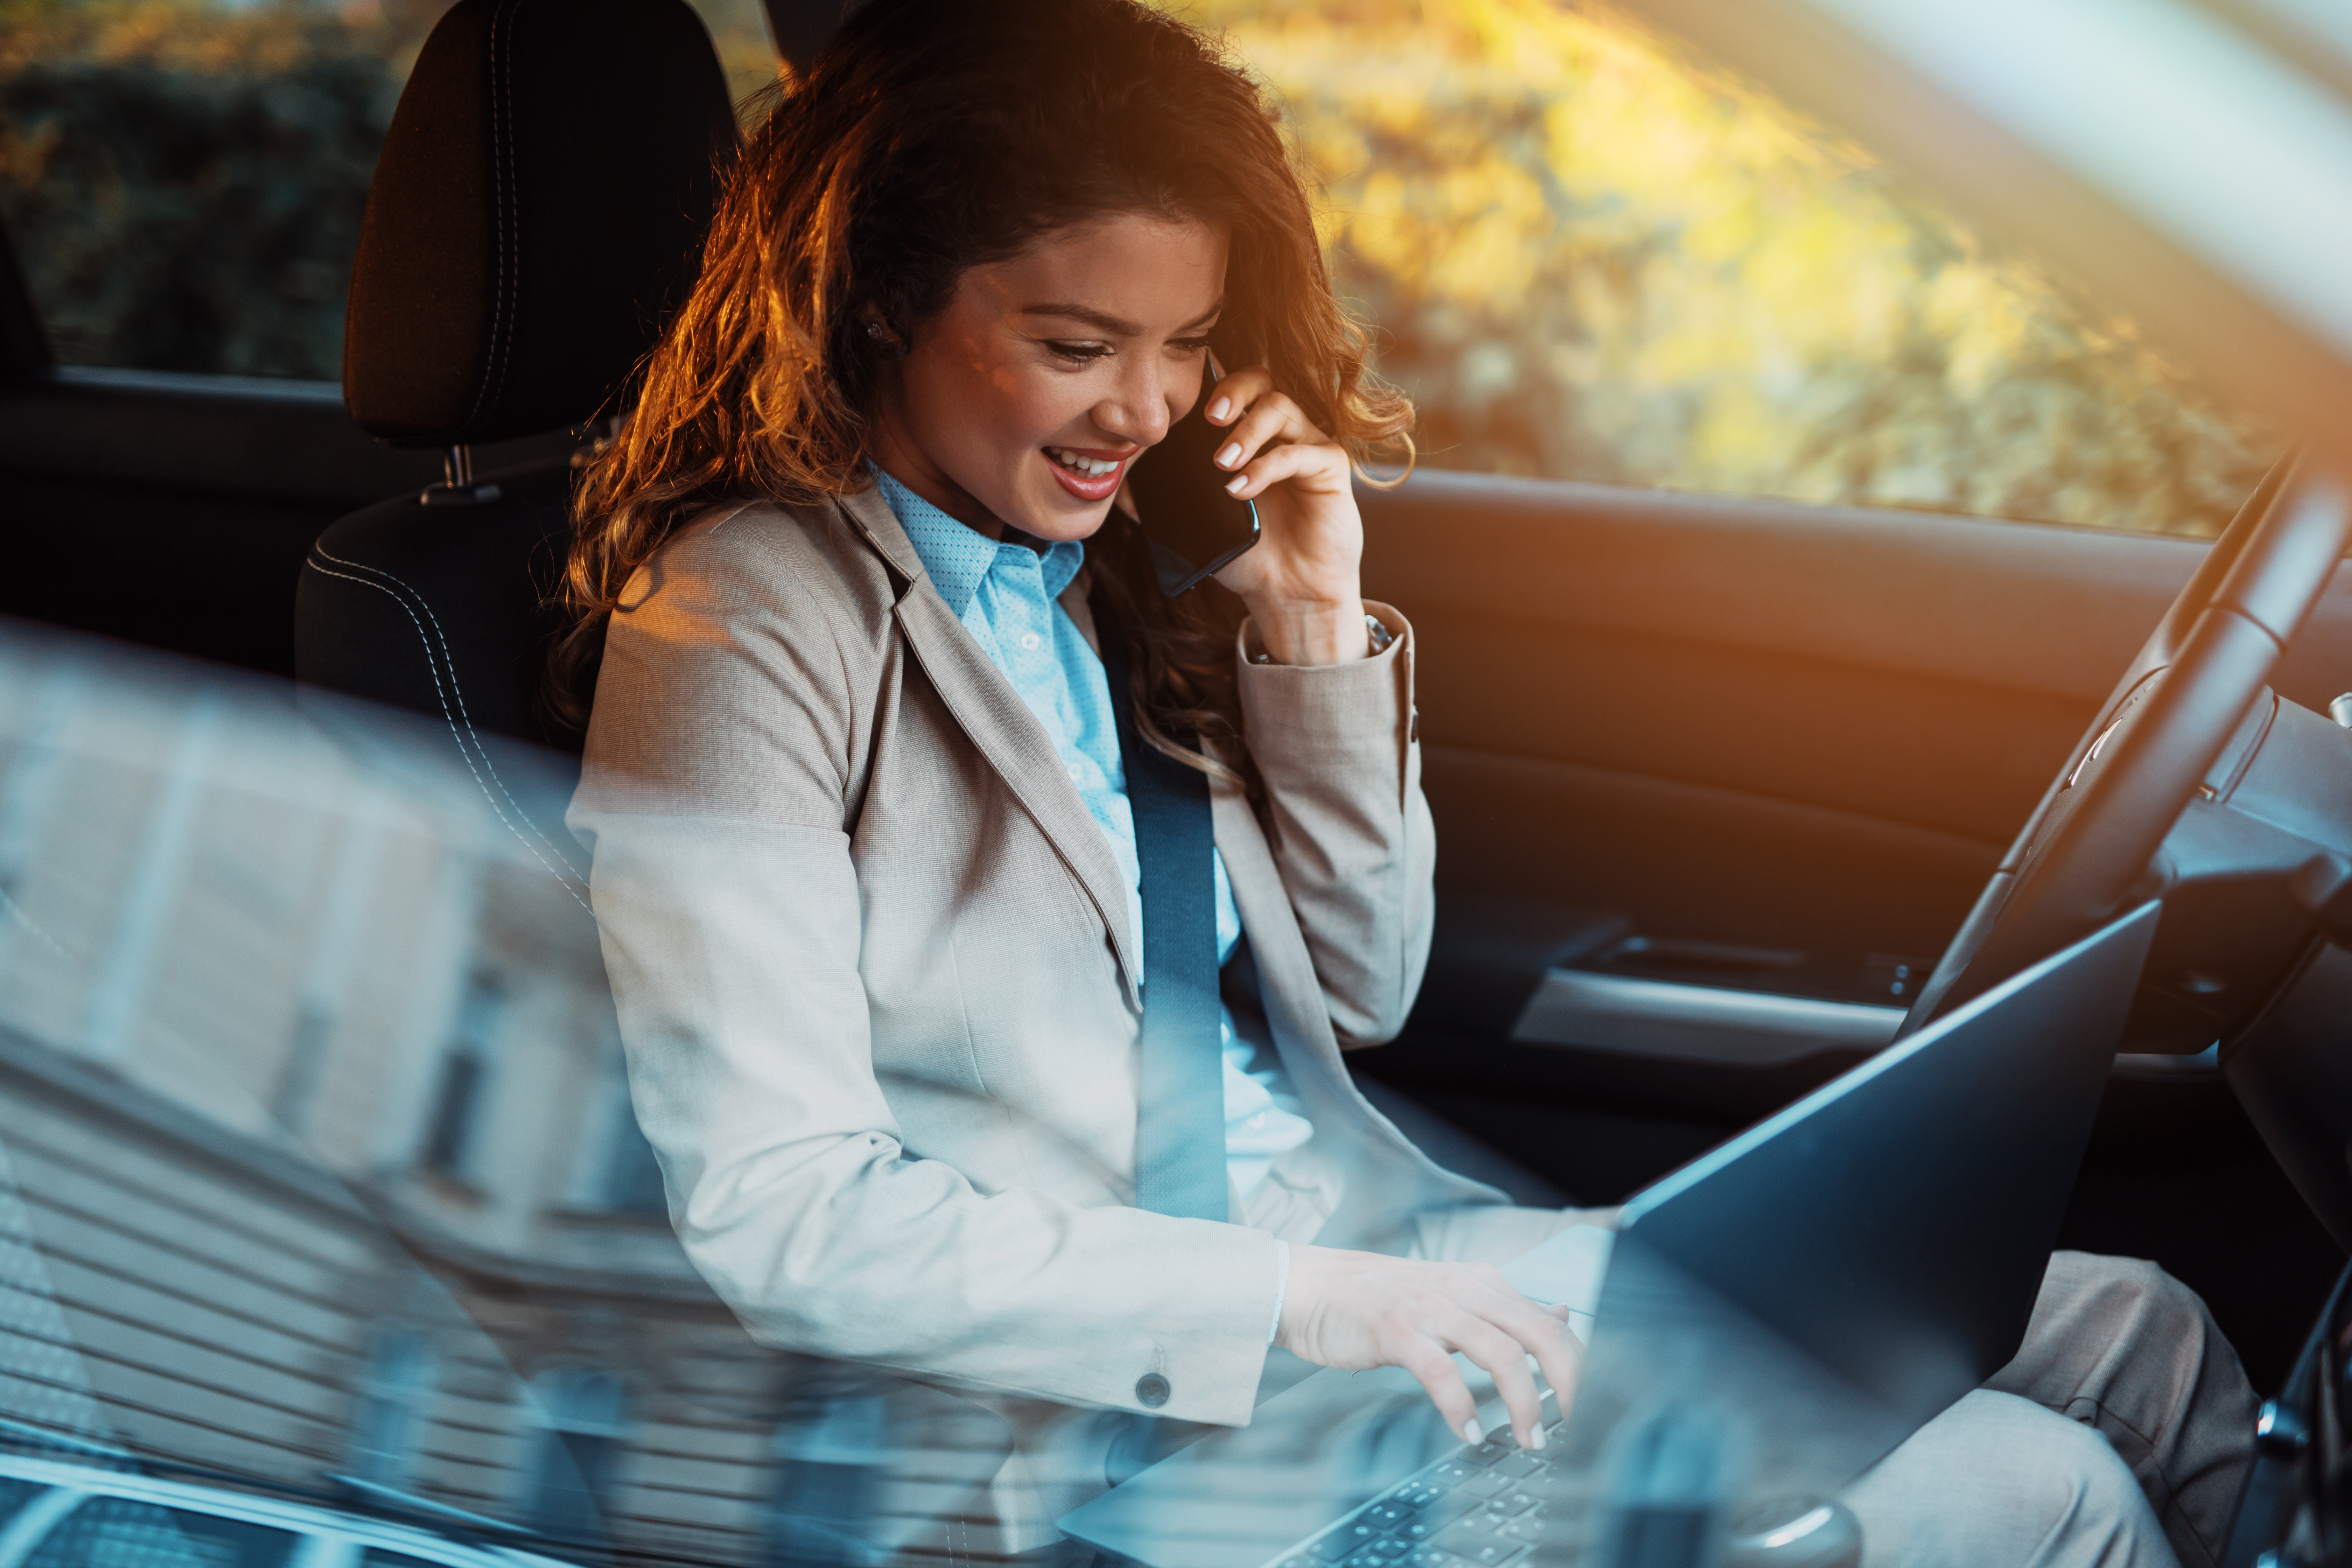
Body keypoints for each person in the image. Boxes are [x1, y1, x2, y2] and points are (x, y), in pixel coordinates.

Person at [559, 1, 2255, 1562]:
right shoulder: (746, 613)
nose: (1144, 407)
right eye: (1077, 344)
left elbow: (1360, 991)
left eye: (1187, 343)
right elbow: (786, 1213)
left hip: (1393, 1263)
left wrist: (1307, 614)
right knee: (2049, 1496)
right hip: (1127, 1418)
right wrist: (1303, 1302)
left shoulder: (1098, 568)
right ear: (880, 301)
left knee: (2144, 1332)